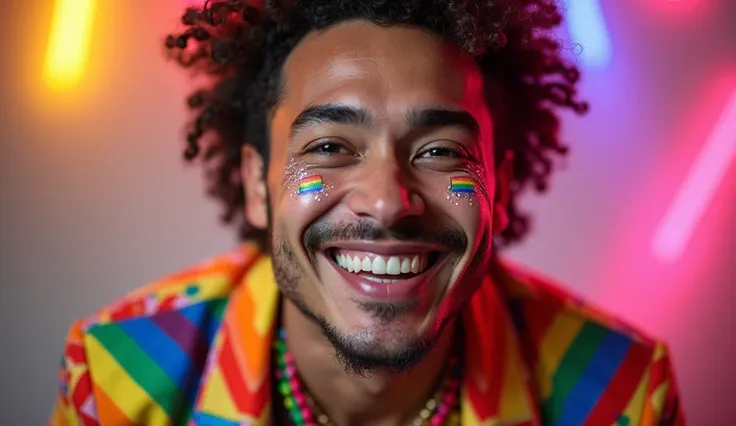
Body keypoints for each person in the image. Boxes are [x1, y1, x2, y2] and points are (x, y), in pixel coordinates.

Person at [50, 1, 685, 425]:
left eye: (439, 152)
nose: (386, 201)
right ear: (256, 185)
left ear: (501, 185)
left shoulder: (622, 394)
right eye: (329, 147)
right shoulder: (115, 378)